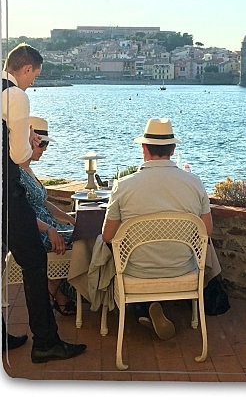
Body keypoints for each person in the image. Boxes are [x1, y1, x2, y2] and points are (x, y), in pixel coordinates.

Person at [2, 42, 86, 362]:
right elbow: (20, 155)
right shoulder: (15, 95)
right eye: (34, 76)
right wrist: (28, 141)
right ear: (26, 69)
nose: (33, 82)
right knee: (35, 262)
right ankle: (45, 342)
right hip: (6, 195)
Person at [102, 117, 213, 340]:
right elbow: (207, 231)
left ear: (144, 148)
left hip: (136, 272)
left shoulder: (123, 186)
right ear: (173, 149)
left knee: (102, 249)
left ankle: (117, 312)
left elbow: (107, 235)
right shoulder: (194, 182)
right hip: (183, 270)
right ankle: (156, 307)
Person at [20, 116, 77, 316]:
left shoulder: (28, 170)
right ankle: (53, 290)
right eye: (42, 143)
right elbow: (21, 212)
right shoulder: (17, 173)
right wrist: (50, 229)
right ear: (28, 141)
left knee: (84, 234)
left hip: (49, 226)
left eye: (46, 144)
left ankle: (56, 291)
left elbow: (44, 202)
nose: (45, 149)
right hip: (37, 231)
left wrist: (70, 219)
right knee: (84, 242)